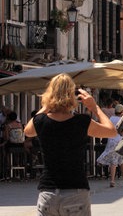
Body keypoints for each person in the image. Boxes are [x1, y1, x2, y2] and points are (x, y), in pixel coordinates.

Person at [24, 73, 116, 214]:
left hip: (48, 193)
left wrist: (46, 106)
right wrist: (95, 107)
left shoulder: (40, 121)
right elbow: (111, 131)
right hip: (76, 191)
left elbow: (27, 132)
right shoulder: (81, 122)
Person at [96, 104, 123, 187]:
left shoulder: (111, 118)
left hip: (112, 141)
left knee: (113, 162)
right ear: (122, 112)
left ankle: (112, 181)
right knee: (122, 161)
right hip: (120, 142)